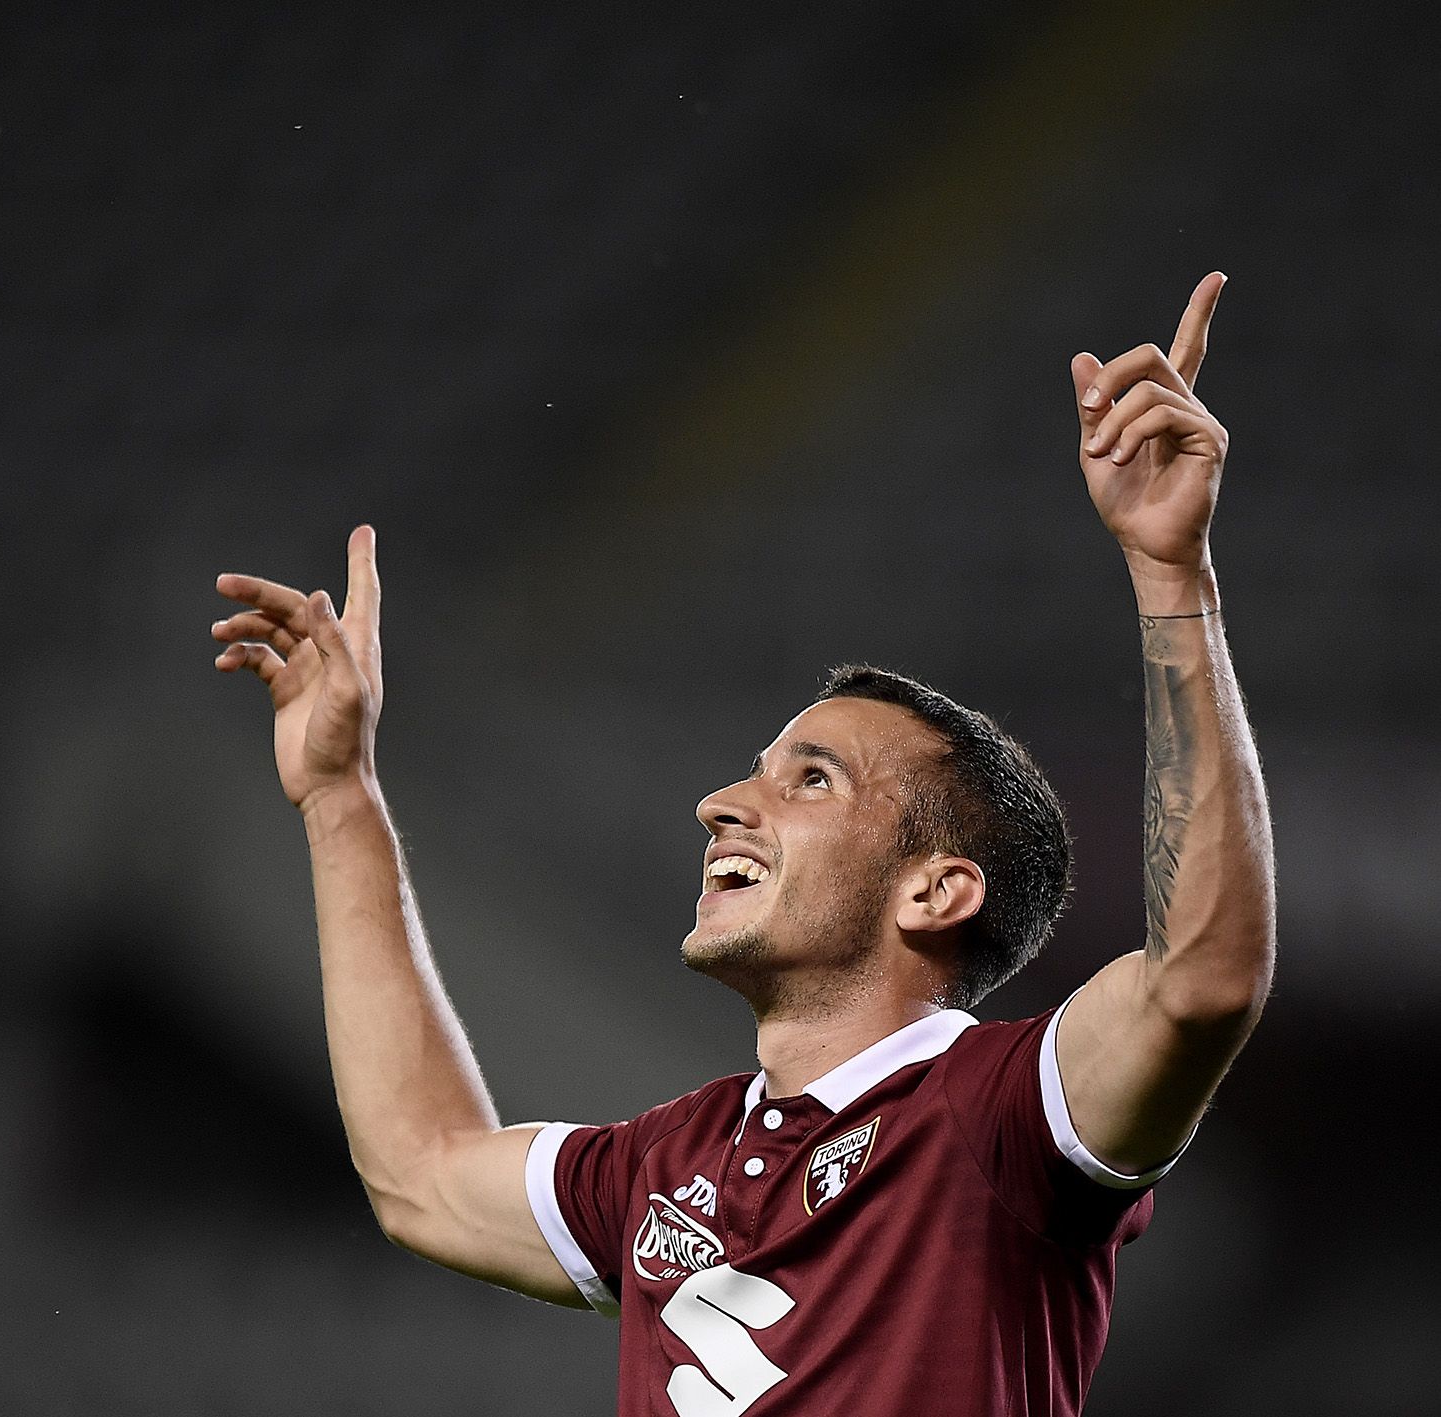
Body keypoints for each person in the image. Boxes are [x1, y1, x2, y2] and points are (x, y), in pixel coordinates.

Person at [208, 273, 1273, 1416]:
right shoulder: (668, 1162)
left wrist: (1171, 578)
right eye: (752, 772)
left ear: (934, 888)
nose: (720, 802)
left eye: (808, 778)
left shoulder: (997, 1117)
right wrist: (337, 795)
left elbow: (1199, 982)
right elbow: (419, 1170)